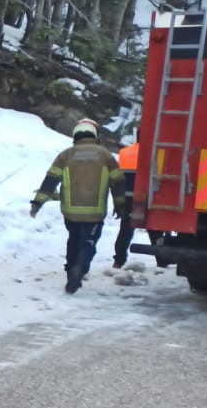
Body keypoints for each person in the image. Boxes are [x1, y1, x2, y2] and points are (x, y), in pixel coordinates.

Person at [29, 118, 126, 293]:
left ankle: (70, 271)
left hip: (70, 212)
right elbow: (118, 182)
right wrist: (120, 205)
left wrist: (38, 203)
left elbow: (50, 180)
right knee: (87, 243)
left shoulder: (66, 155)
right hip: (95, 213)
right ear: (95, 135)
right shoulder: (105, 156)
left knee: (73, 240)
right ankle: (79, 269)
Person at [112, 142, 139, 269]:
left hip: (126, 195)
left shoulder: (125, 152)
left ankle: (118, 260)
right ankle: (161, 260)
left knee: (125, 229)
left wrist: (117, 202)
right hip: (145, 195)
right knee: (153, 228)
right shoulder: (153, 150)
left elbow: (118, 178)